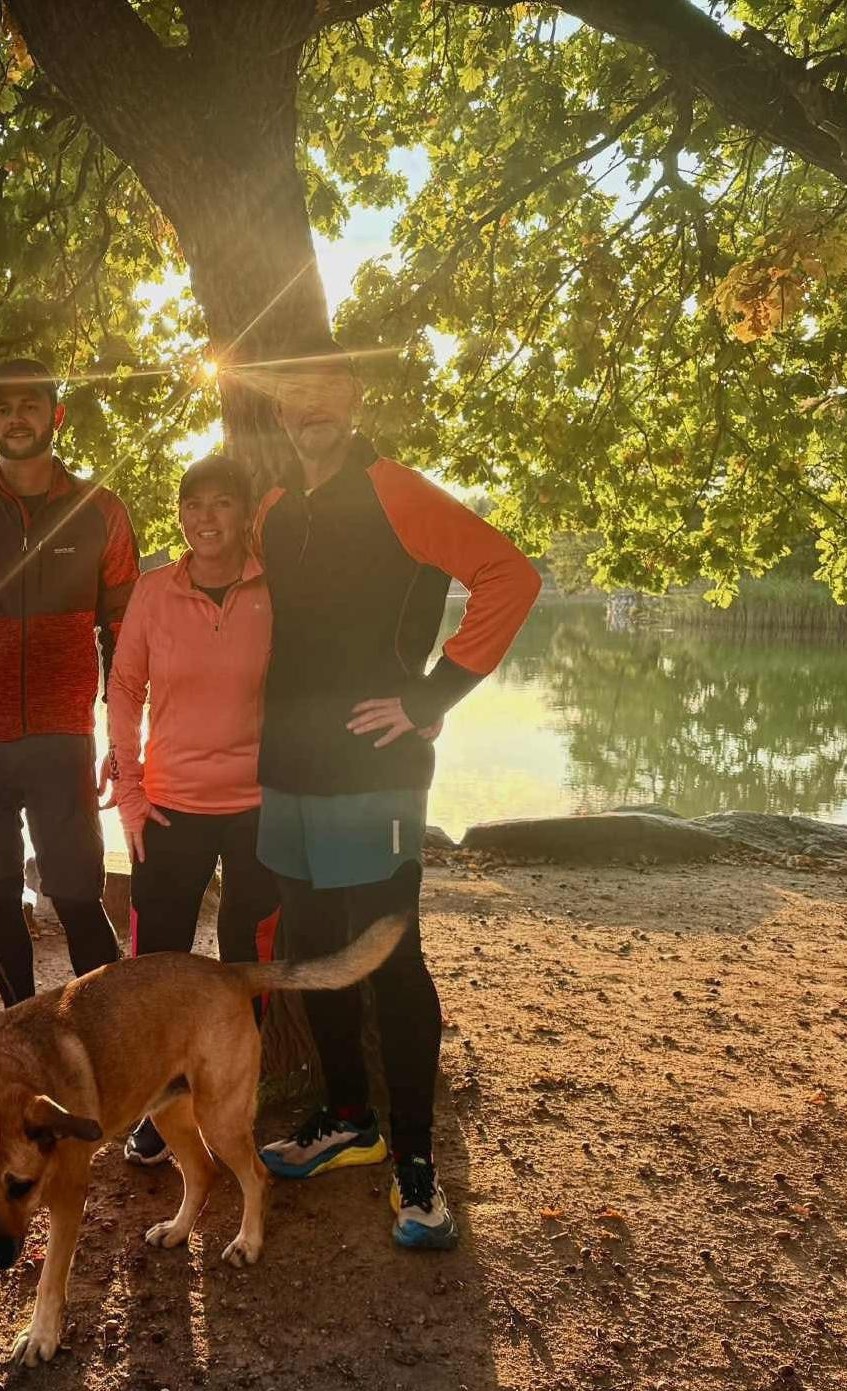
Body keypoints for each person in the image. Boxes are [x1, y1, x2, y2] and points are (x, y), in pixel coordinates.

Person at [250, 338, 540, 1250]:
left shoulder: (396, 491)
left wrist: (429, 698)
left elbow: (509, 576)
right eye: (294, 389)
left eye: (326, 386)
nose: (310, 404)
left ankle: (415, 1160)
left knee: (389, 956)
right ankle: (349, 1118)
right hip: (286, 767)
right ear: (278, 408)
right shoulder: (271, 508)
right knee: (311, 949)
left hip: (373, 770)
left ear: (353, 396)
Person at [0, 358, 140, 1006]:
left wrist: (121, 742)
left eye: (29, 405)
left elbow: (124, 635)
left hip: (62, 737)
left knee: (77, 894)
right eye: (2, 407)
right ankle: (19, 1030)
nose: (15, 418)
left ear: (56, 415)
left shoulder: (100, 510)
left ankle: (110, 1036)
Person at [104, 451, 280, 1168]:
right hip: (169, 805)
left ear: (247, 514)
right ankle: (157, 1108)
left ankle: (235, 1094)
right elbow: (123, 689)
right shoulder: (153, 591)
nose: (205, 518)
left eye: (222, 503)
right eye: (193, 504)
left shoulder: (277, 589)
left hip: (258, 805)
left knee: (249, 957)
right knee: (156, 965)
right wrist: (131, 790)